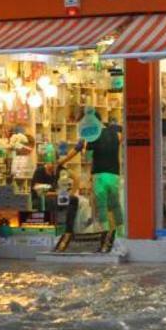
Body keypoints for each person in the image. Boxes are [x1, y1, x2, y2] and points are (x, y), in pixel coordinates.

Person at [59, 107, 123, 253]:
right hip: (114, 174)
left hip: (99, 175)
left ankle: (105, 235)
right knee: (115, 205)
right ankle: (121, 233)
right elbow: (122, 132)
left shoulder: (92, 134)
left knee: (101, 206)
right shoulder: (114, 132)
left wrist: (61, 163)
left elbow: (78, 149)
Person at [30, 161, 80, 252]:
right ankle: (54, 231)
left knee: (73, 200)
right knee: (52, 202)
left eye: (54, 163)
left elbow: (75, 178)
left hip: (56, 197)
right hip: (41, 198)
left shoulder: (59, 170)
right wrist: (56, 193)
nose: (53, 166)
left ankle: (68, 231)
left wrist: (72, 193)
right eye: (51, 163)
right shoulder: (40, 171)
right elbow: (37, 189)